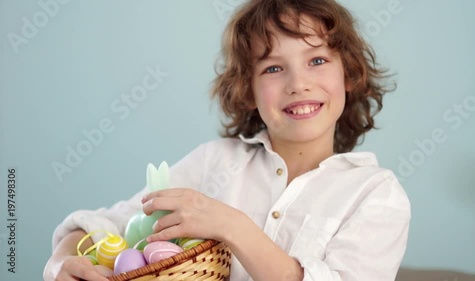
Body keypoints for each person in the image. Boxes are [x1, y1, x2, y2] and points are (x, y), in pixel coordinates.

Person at [44, 0, 411, 280]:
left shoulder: (376, 195)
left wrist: (231, 225)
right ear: (247, 90)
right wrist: (62, 262)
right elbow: (105, 223)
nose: (298, 83)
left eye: (317, 60)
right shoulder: (214, 163)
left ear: (349, 73)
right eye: (272, 68)